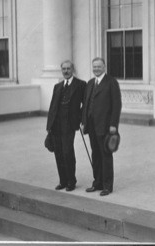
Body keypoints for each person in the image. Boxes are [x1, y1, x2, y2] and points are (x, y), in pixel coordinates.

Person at [81, 57, 122, 196]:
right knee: (95, 154)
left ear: (104, 67)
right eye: (94, 67)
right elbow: (86, 104)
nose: (96, 69)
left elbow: (116, 106)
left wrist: (113, 125)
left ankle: (107, 186)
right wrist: (83, 122)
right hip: (91, 126)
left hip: (105, 126)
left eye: (99, 66)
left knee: (106, 155)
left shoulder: (111, 82)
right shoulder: (90, 83)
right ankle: (97, 183)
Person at [46, 60, 86, 192]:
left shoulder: (80, 84)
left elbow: (85, 105)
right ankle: (62, 181)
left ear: (73, 69)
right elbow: (52, 107)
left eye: (68, 68)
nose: (66, 71)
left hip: (69, 125)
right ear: (61, 70)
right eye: (64, 69)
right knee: (58, 153)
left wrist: (79, 119)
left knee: (68, 152)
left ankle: (71, 181)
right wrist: (49, 126)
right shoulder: (57, 86)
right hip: (56, 125)